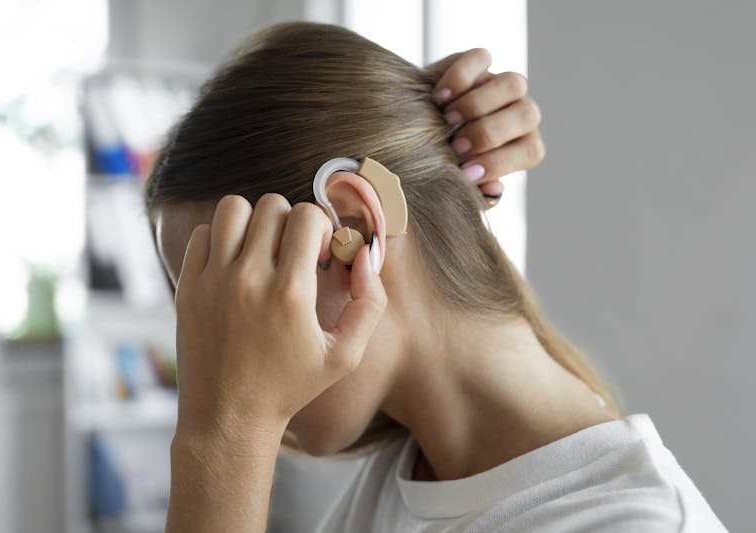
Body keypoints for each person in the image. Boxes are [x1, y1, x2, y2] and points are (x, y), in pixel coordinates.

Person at [145, 22, 726, 533]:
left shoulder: (627, 526)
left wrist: (226, 435)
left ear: (353, 235)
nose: (209, 348)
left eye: (228, 296)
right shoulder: (405, 482)